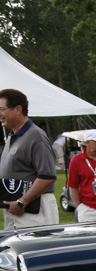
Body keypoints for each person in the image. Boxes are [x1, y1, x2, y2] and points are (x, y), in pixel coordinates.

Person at [0, 88, 59, 231]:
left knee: (39, 252)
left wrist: (22, 202)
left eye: (2, 109)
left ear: (18, 109)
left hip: (34, 211)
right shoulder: (12, 136)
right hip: (17, 211)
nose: (0, 114)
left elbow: (47, 176)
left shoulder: (36, 136)